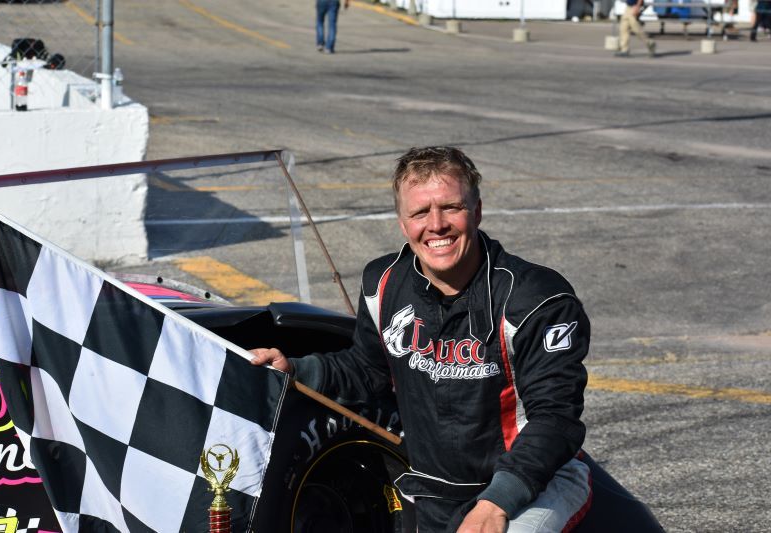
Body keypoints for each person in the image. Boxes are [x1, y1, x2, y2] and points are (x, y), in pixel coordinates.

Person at [251, 146, 592, 532]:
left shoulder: (536, 298)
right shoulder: (383, 284)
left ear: (477, 211)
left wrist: (497, 501)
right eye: (420, 213)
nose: (437, 225)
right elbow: (366, 371)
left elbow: (555, 419)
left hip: (533, 483)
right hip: (435, 491)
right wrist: (295, 370)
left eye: (451, 207)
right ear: (403, 223)